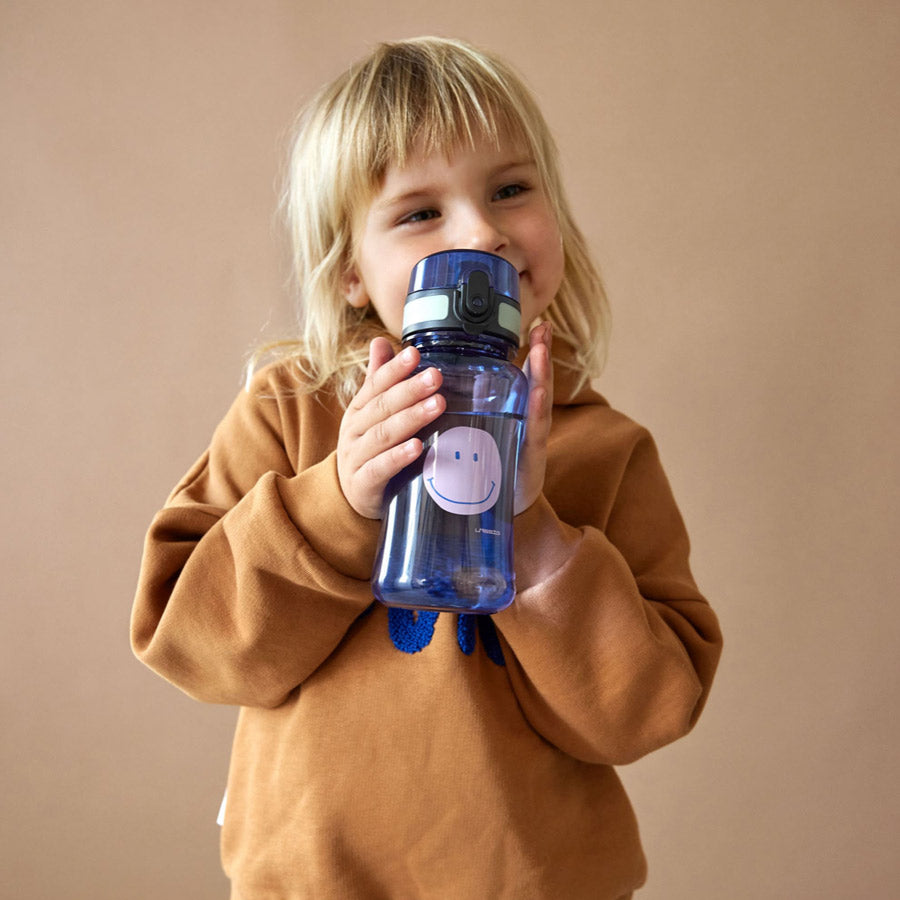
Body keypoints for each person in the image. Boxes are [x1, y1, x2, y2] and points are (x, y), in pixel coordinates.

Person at [131, 36, 723, 899]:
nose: (482, 233)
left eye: (510, 190)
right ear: (350, 272)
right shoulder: (290, 412)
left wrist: (534, 533)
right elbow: (191, 643)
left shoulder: (607, 450)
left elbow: (650, 710)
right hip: (315, 883)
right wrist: (336, 502)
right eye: (419, 213)